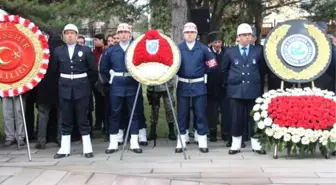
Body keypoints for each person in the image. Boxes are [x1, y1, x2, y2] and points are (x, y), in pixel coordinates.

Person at [221, 23, 266, 155]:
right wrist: (231, 82)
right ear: (238, 37)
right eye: (244, 35)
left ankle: (256, 145)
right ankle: (235, 145)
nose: (247, 37)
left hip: (253, 89)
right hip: (236, 90)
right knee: (236, 118)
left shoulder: (258, 51)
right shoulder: (230, 51)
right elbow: (224, 70)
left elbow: (262, 69)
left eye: (249, 35)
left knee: (255, 118)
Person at [54, 23, 97, 159]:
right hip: (65, 87)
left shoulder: (85, 50)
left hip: (81, 87)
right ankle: (64, 148)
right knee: (65, 118)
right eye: (67, 33)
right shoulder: (58, 51)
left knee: (82, 117)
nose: (70, 35)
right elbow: (56, 71)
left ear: (77, 35)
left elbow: (93, 71)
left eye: (72, 33)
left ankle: (87, 147)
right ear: (64, 35)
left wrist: (85, 85)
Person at [100, 23, 142, 154]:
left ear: (130, 34)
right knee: (115, 113)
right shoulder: (111, 51)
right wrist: (109, 81)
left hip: (132, 82)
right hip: (117, 84)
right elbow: (103, 69)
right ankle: (113, 142)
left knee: (134, 113)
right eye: (121, 32)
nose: (123, 34)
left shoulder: (136, 49)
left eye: (126, 32)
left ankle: (134, 142)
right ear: (117, 34)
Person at [175, 22, 217, 153]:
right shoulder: (178, 48)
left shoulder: (203, 48)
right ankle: (182, 138)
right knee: (182, 113)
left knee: (200, 113)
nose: (189, 35)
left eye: (192, 32)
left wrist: (202, 71)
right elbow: (172, 65)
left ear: (196, 34)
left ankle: (202, 139)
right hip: (183, 84)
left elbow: (213, 64)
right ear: (183, 34)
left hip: (199, 84)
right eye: (187, 32)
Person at [35, 28, 63, 149]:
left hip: (44, 87)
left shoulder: (42, 48)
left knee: (43, 115)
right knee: (61, 115)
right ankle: (61, 139)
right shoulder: (63, 48)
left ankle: (41, 140)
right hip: (60, 86)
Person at [206, 31, 227, 143]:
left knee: (225, 110)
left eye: (219, 42)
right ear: (211, 43)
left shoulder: (226, 52)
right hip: (211, 86)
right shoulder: (208, 54)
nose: (218, 44)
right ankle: (212, 132)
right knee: (212, 111)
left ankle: (225, 132)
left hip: (224, 86)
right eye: (215, 42)